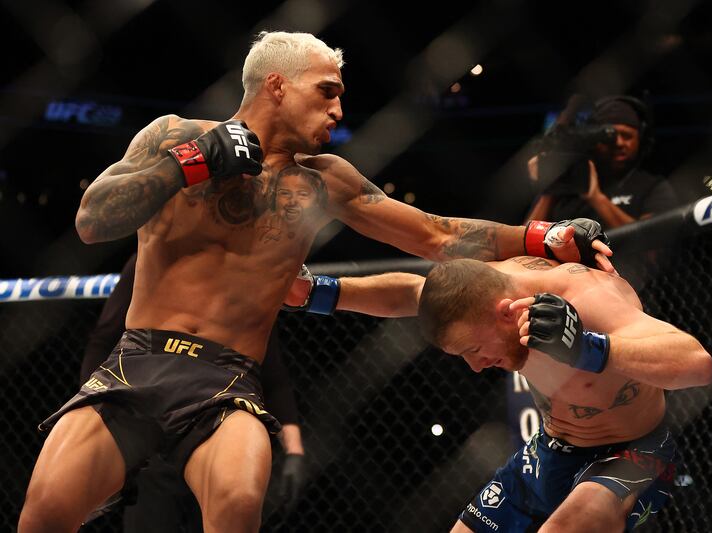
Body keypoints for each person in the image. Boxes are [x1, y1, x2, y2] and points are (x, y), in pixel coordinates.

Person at [18, 31, 613, 533]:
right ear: (277, 85)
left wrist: (542, 237)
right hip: (136, 363)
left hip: (226, 380)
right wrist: (193, 160)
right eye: (326, 92)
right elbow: (92, 220)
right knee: (42, 515)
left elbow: (438, 235)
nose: (337, 111)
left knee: (237, 502)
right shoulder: (174, 133)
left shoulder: (324, 181)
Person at [296, 255, 712, 531]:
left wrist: (588, 348)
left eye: (475, 350)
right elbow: (411, 292)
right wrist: (316, 293)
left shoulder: (587, 301)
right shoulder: (477, 291)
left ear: (505, 312)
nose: (476, 366)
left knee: (570, 525)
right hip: (551, 448)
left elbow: (697, 363)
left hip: (632, 453)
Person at [80, 253, 307, 531]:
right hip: (155, 421)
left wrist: (294, 450)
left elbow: (272, 372)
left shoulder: (248, 271)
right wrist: (97, 421)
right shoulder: (155, 253)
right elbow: (103, 340)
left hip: (218, 422)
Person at [526, 95, 680, 229]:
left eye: (626, 136)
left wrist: (596, 197)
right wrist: (551, 188)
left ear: (641, 140)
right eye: (609, 138)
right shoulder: (568, 187)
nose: (619, 143)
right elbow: (524, 241)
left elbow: (653, 249)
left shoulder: (652, 187)